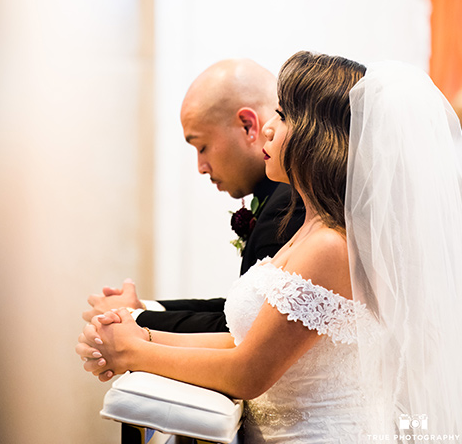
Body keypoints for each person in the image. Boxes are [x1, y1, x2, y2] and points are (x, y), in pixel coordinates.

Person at [77, 52, 462, 441]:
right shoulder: (312, 229)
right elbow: (246, 339)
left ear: (318, 134)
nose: (267, 129)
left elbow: (247, 373)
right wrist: (140, 334)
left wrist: (131, 352)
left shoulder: (329, 245)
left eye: (283, 115)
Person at [83, 59, 305, 333]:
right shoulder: (281, 197)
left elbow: (244, 329)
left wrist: (131, 318)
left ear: (248, 126)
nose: (201, 167)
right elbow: (239, 307)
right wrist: (144, 308)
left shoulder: (290, 204)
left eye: (202, 146)